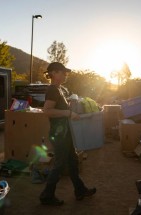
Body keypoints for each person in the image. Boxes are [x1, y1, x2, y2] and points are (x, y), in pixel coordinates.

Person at [39, 62, 96, 206]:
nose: (65, 74)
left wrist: (70, 106)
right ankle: (47, 196)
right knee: (59, 164)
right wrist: (68, 112)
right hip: (60, 134)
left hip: (64, 132)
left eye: (65, 72)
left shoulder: (59, 90)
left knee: (72, 162)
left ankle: (80, 190)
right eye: (62, 72)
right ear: (53, 73)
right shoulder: (52, 89)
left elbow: (59, 108)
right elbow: (47, 111)